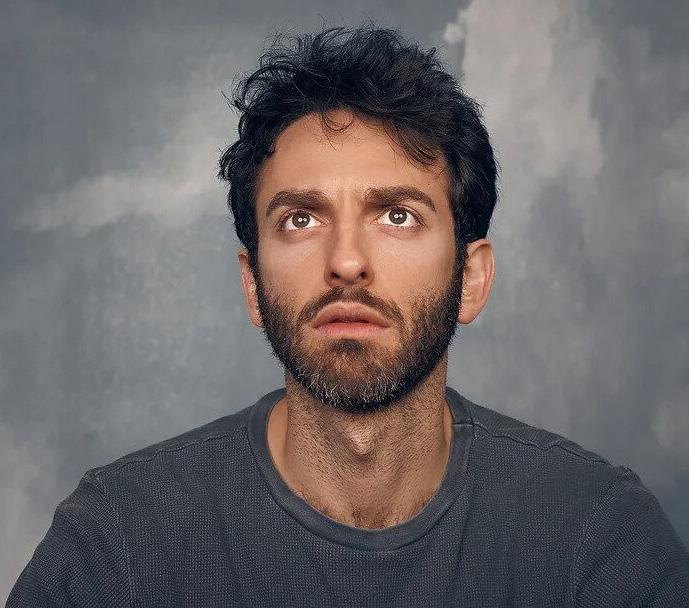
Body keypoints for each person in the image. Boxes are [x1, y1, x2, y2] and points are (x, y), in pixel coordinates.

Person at [8, 24, 689, 608]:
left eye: (397, 215)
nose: (346, 262)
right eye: (300, 219)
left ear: (472, 278)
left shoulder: (597, 540)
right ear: (252, 285)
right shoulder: (118, 546)